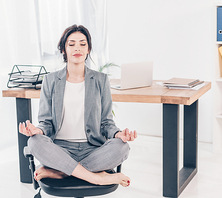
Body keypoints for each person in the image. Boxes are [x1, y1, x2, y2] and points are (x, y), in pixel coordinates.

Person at [19, 24, 137, 187]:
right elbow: (46, 123)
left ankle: (59, 172)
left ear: (88, 49)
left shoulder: (100, 80)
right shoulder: (51, 80)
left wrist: (118, 134)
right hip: (60, 149)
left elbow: (106, 122)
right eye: (71, 43)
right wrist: (37, 131)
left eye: (83, 44)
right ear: (63, 49)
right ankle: (97, 177)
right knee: (34, 142)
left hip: (93, 149)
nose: (77, 48)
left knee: (122, 147)